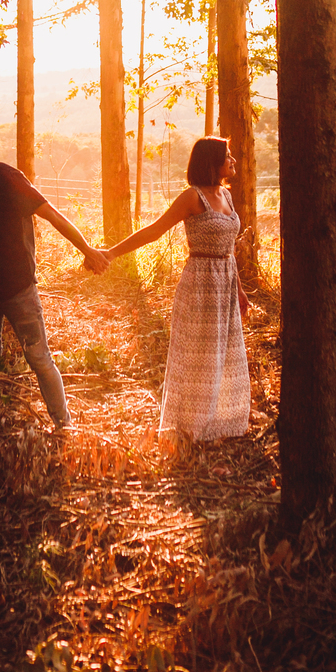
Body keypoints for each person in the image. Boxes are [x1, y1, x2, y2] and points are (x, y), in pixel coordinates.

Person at [0, 120, 109, 430]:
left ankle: (64, 424)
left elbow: (53, 216)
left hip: (17, 290)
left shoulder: (10, 180)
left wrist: (87, 250)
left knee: (39, 358)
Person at [105, 135, 251, 442]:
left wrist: (239, 289)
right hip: (200, 284)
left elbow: (229, 249)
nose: (233, 160)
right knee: (198, 356)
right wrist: (111, 253)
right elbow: (154, 231)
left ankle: (221, 422)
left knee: (224, 353)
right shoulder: (192, 198)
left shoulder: (227, 195)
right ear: (211, 161)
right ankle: (190, 427)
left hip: (225, 282)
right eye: (227, 155)